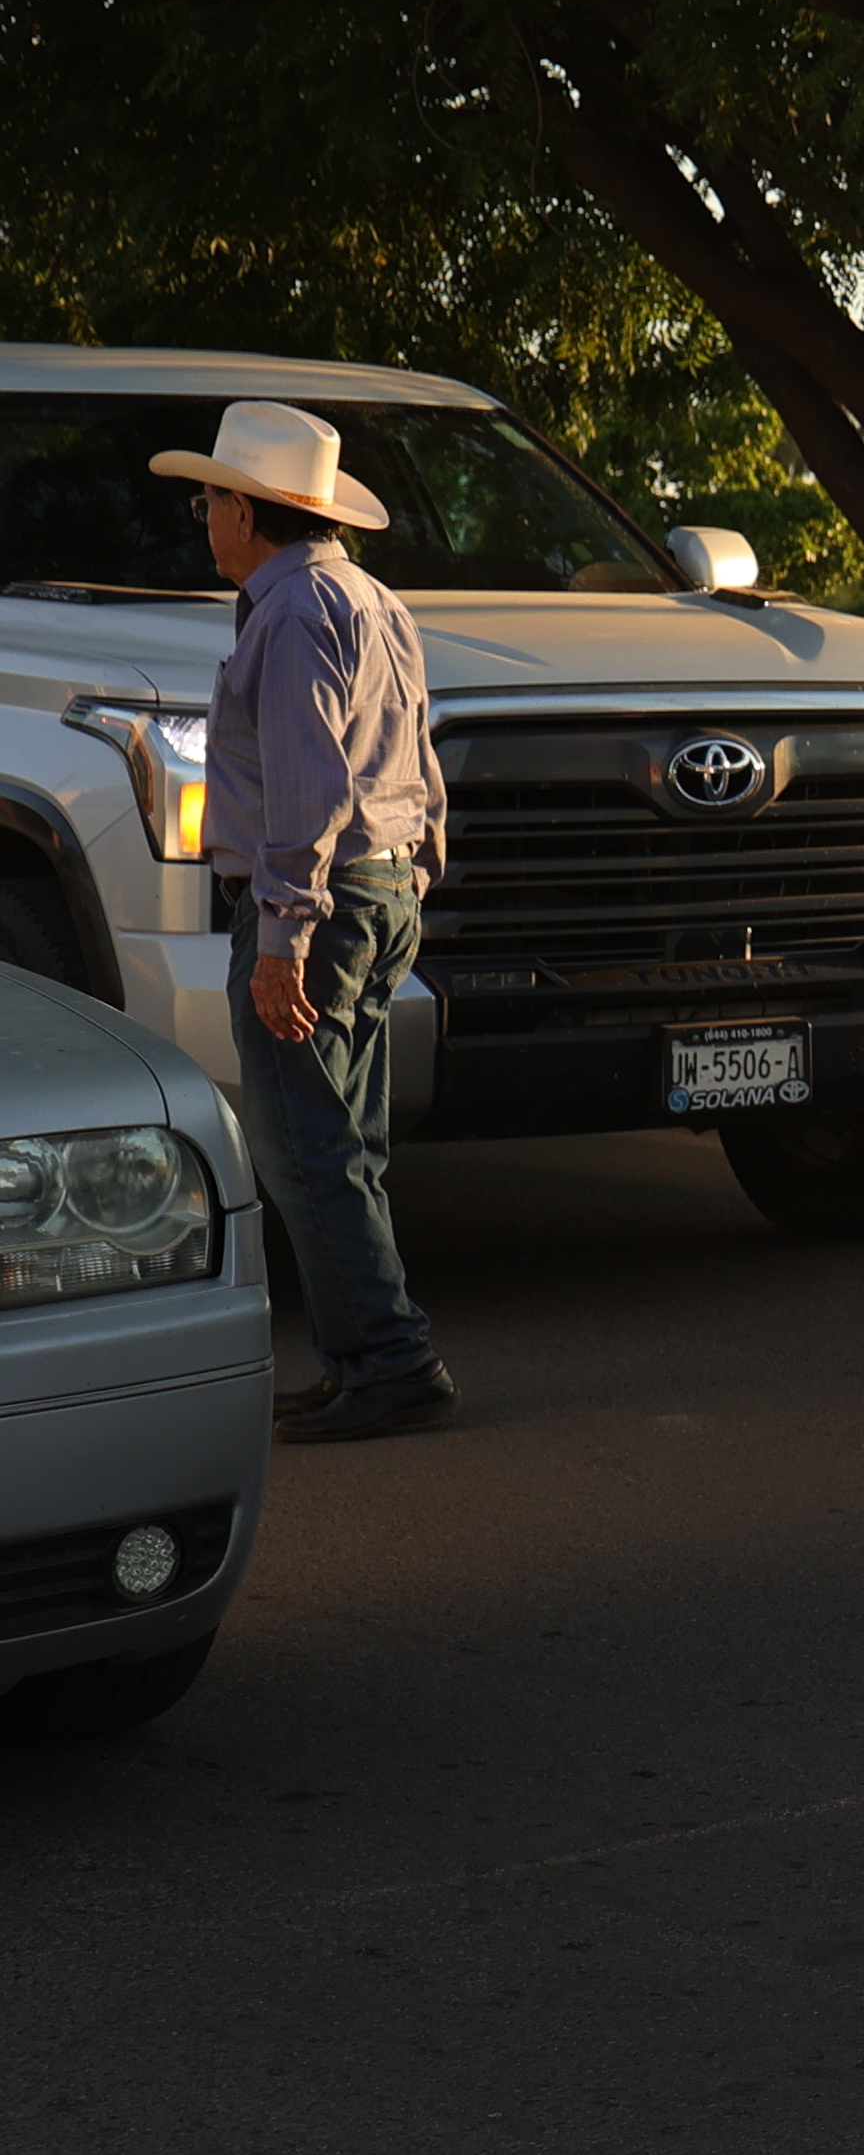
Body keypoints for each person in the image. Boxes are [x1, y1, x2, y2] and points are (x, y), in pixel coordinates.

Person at [162, 403, 457, 1442]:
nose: (204, 520)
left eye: (210, 502)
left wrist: (283, 936)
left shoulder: (288, 615)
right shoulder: (372, 600)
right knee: (346, 1140)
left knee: (303, 1147)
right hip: (376, 897)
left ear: (244, 509)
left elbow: (310, 790)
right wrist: (415, 875)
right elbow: (418, 763)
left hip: (321, 907)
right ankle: (369, 1356)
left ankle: (387, 1361)